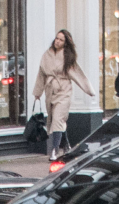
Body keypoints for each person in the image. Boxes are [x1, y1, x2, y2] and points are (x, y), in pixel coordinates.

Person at [34, 29, 87, 162]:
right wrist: (37, 92)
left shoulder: (68, 57)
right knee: (58, 120)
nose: (57, 41)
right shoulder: (47, 55)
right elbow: (41, 74)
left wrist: (88, 89)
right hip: (50, 91)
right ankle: (67, 145)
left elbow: (77, 74)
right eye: (57, 38)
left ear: (66, 43)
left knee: (58, 118)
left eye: (61, 40)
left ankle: (54, 150)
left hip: (64, 91)